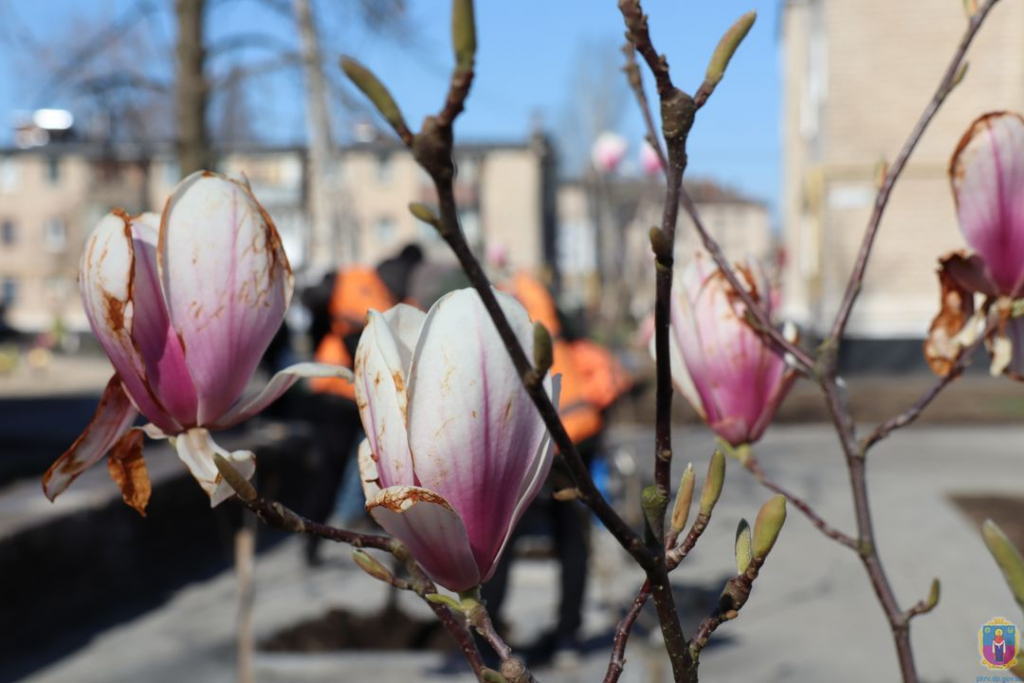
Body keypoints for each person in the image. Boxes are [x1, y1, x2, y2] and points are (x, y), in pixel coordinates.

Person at [481, 266, 611, 666]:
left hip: (536, 437)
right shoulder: (544, 304)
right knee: (572, 538)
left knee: (500, 540)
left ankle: (490, 641)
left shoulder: (494, 311)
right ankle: (568, 637)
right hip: (576, 430)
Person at [301, 244, 423, 565]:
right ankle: (402, 556)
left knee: (329, 470)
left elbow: (313, 303)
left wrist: (320, 336)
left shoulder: (355, 277)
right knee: (392, 473)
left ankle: (311, 542)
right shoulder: (404, 303)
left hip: (334, 385)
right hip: (372, 395)